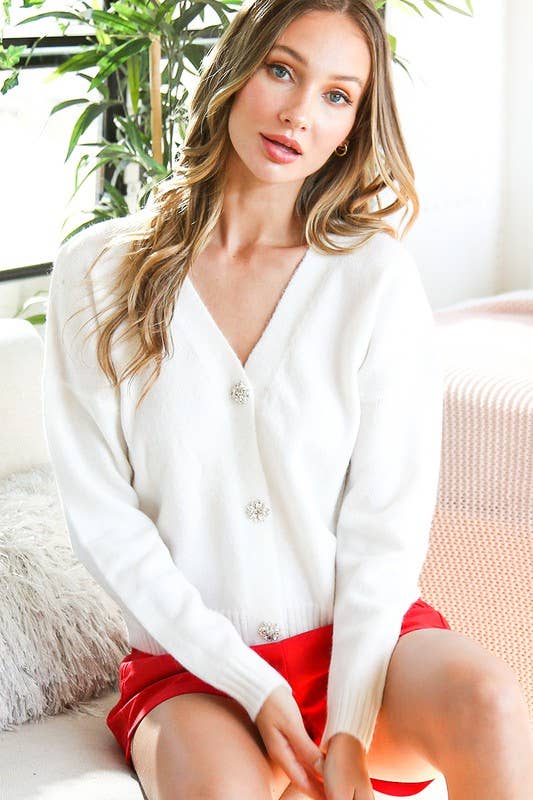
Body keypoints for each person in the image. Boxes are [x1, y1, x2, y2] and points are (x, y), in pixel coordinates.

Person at [42, 1, 533, 799]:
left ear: (353, 125)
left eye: (337, 96)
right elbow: (103, 520)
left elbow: (386, 521)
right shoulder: (99, 273)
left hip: (362, 645)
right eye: (282, 70)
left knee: (491, 703)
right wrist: (251, 682)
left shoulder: (371, 277)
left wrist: (347, 720)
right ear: (237, 72)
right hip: (192, 670)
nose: (300, 113)